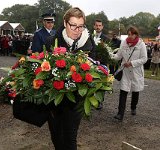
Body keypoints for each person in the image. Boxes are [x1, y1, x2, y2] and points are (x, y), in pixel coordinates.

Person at [45, 7, 95, 150]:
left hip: (76, 100)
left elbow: (96, 67)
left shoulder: (89, 43)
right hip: (55, 100)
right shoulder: (52, 41)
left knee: (70, 138)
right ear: (65, 23)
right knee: (56, 137)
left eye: (81, 26)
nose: (77, 30)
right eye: (73, 25)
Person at [110, 26, 147, 121]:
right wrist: (109, 55)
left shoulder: (141, 44)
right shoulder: (124, 43)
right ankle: (120, 114)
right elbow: (118, 56)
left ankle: (133, 107)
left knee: (135, 90)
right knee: (123, 91)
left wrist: (131, 63)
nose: (129, 36)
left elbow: (144, 59)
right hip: (125, 72)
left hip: (136, 72)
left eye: (131, 34)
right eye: (129, 34)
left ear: (136, 35)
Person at [93, 19, 110, 110]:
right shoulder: (89, 37)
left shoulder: (106, 39)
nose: (98, 27)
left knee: (101, 83)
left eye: (100, 25)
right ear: (94, 26)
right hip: (91, 62)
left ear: (102, 27)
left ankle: (100, 101)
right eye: (96, 25)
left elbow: (108, 53)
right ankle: (90, 100)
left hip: (102, 64)